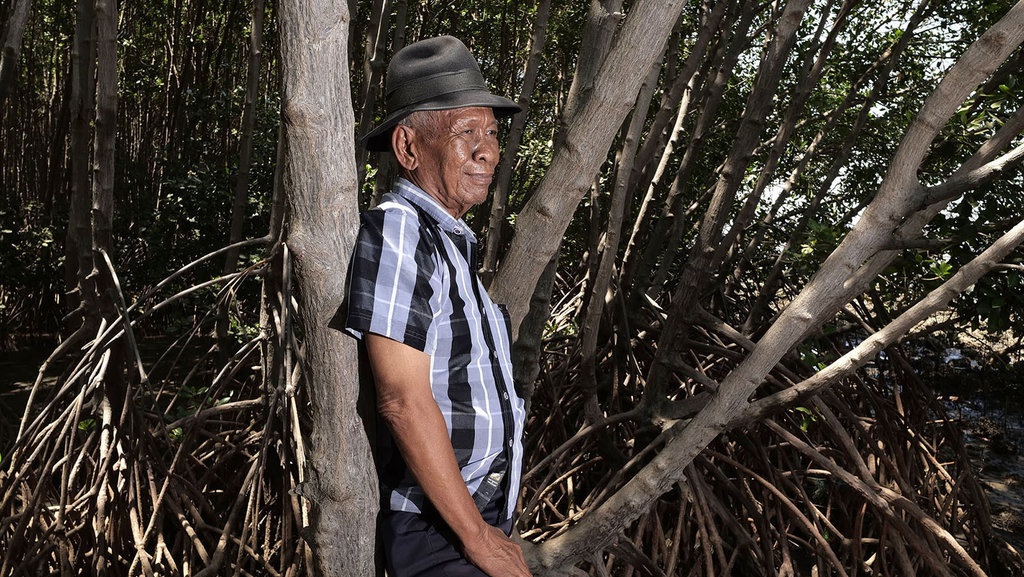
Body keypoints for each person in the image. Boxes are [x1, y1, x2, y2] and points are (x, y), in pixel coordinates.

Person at [344, 36, 532, 577]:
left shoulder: (447, 240)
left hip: (471, 512)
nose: (488, 151)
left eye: (492, 133)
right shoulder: (400, 230)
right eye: (465, 133)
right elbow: (401, 398)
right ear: (408, 148)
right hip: (439, 527)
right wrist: (477, 539)